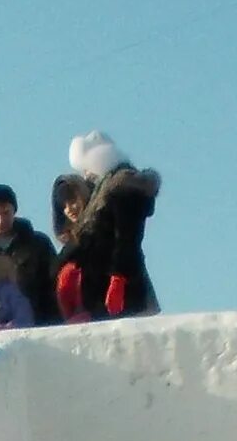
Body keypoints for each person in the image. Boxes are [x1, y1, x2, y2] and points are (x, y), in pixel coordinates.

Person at [57, 131, 163, 321]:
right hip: (102, 281)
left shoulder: (123, 186)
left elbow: (127, 238)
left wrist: (119, 277)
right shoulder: (108, 185)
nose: (86, 174)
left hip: (118, 283)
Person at [0, 183, 59, 328]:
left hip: (37, 327)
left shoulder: (38, 244)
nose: (0, 220)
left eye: (6, 213)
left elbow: (53, 287)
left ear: (14, 212)